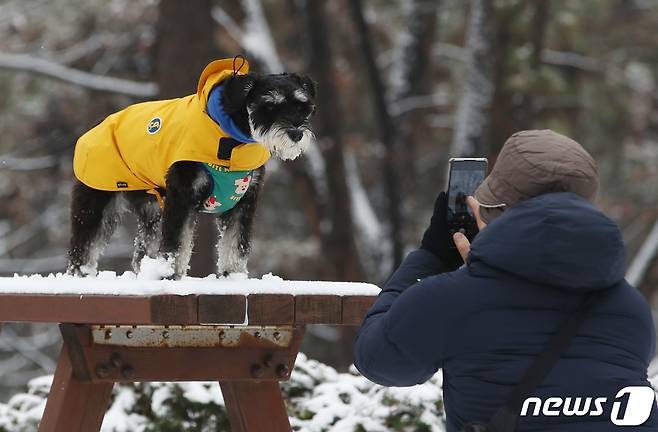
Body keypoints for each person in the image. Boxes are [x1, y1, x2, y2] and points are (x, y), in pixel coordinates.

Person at [354, 130, 658, 431]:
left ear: (494, 209)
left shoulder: (452, 299)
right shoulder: (630, 308)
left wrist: (432, 257)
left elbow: (378, 361)